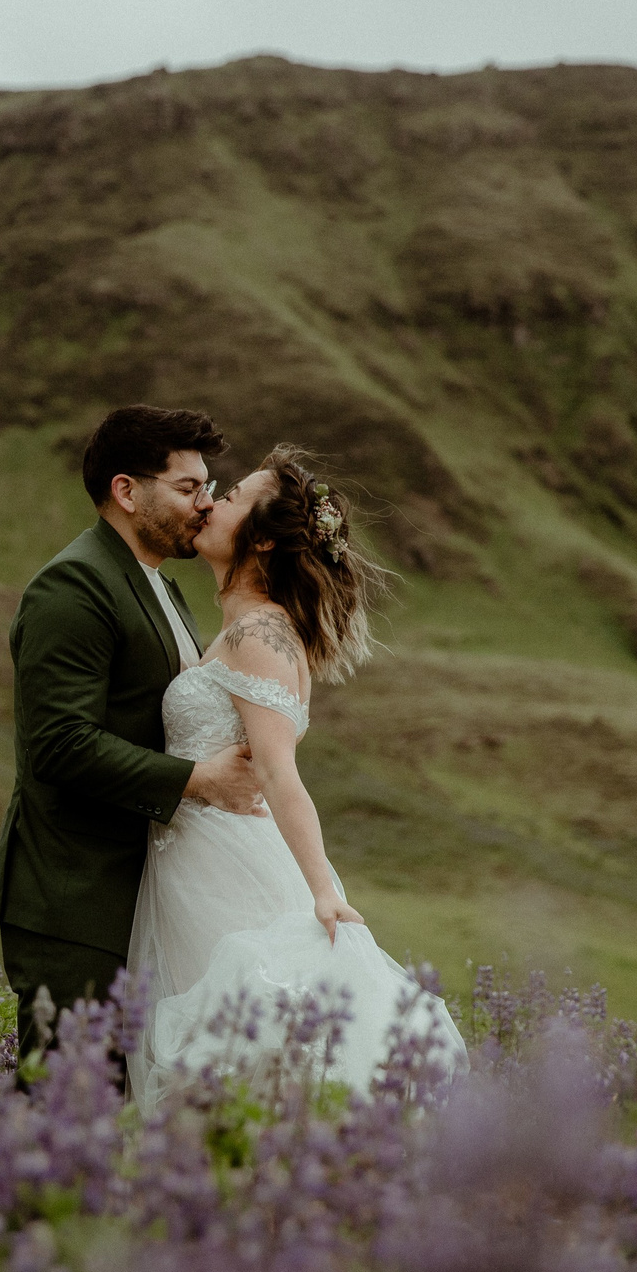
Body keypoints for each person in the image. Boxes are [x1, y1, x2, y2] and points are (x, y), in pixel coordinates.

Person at [124, 443, 467, 1103]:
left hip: (232, 870)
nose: (212, 502)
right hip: (191, 864)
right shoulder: (240, 627)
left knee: (246, 1060)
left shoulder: (262, 632)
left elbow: (280, 772)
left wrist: (323, 890)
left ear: (264, 543)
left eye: (232, 497)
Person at [0, 405, 266, 1073]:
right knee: (66, 1105)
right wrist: (197, 781)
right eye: (188, 487)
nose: (205, 503)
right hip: (75, 898)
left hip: (137, 895)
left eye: (207, 487)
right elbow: (60, 743)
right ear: (127, 491)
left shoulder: (161, 585)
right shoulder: (74, 584)